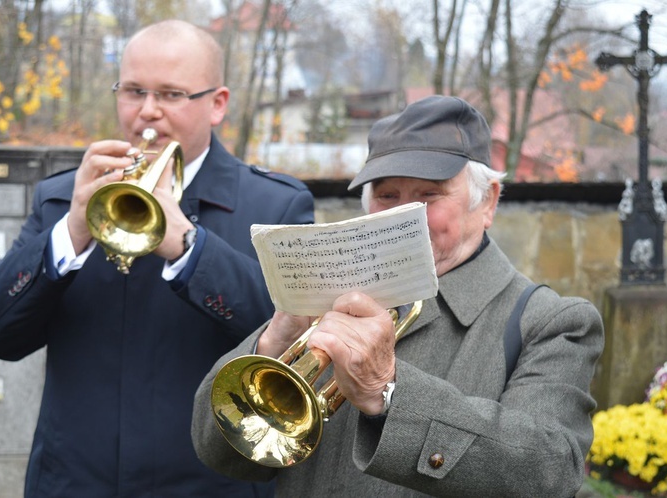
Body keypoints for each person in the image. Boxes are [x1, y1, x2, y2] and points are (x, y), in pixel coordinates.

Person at [0, 19, 314, 497]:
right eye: (133, 91)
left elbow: (298, 344)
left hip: (211, 486)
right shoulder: (62, 198)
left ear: (217, 104)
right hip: (72, 483)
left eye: (170, 94)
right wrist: (73, 229)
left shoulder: (274, 206)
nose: (147, 113)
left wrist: (189, 247)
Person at [191, 95, 605, 497]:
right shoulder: (330, 302)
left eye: (429, 195)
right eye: (388, 195)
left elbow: (550, 473)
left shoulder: (552, 322)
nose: (401, 216)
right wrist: (274, 343)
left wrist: (388, 390)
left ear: (488, 202)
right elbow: (219, 454)